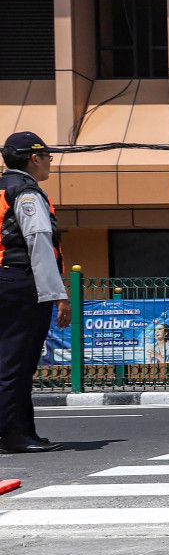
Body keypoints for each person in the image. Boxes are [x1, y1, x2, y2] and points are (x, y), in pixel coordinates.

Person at [0, 131, 69, 453]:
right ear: (34, 158)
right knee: (18, 362)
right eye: (48, 156)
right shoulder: (26, 192)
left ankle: (22, 430)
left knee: (9, 362)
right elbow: (39, 243)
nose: (50, 162)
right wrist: (58, 295)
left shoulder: (2, 189)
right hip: (19, 284)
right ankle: (14, 435)